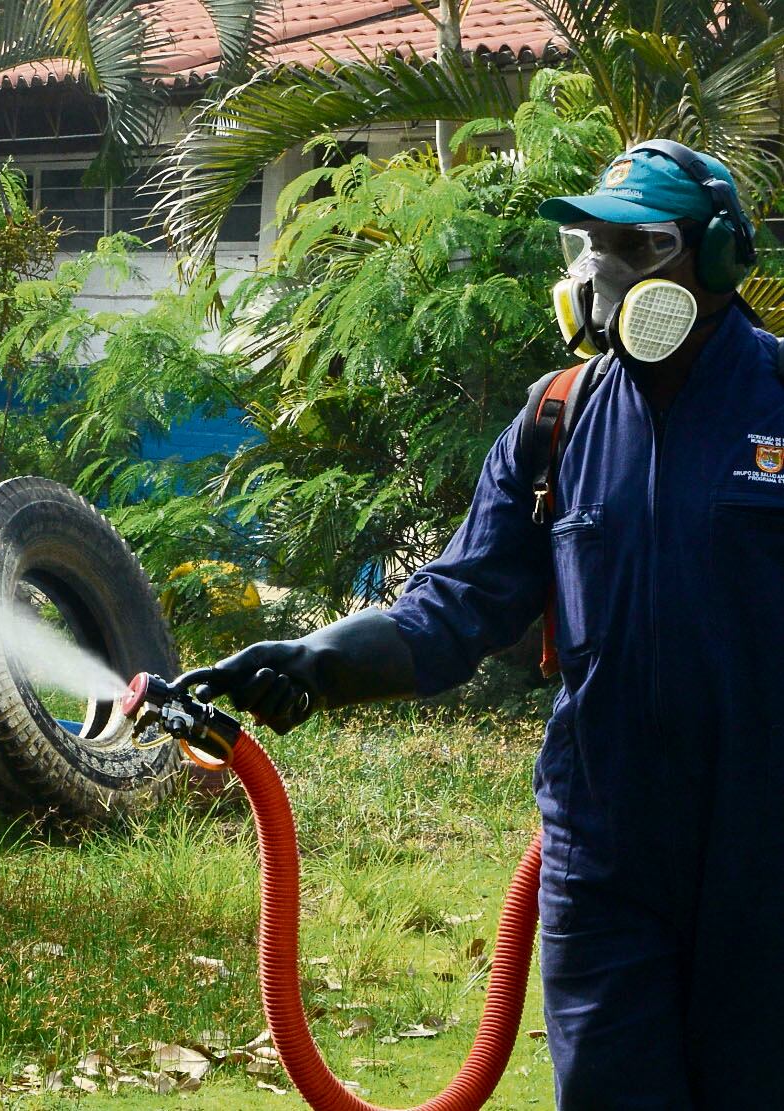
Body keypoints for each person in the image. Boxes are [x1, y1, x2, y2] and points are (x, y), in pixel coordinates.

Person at [186, 142, 783, 1109]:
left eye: (635, 247)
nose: (598, 274)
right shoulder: (556, 421)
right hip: (606, 862)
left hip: (765, 867)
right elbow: (452, 606)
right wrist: (316, 660)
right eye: (588, 246)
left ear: (715, 262)